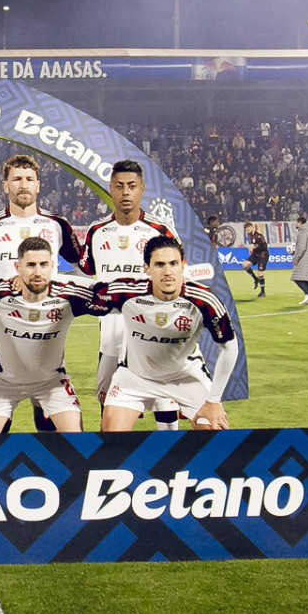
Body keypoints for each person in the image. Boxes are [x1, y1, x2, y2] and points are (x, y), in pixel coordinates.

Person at [91, 236, 236, 433]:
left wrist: (213, 400)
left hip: (185, 377)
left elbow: (230, 348)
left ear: (183, 266)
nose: (167, 272)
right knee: (112, 439)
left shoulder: (204, 300)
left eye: (173, 264)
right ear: (147, 268)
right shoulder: (126, 292)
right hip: (134, 377)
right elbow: (82, 294)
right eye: (159, 264)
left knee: (217, 436)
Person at [78, 160, 180, 426]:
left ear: (142, 189)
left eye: (131, 186)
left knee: (165, 405)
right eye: (120, 186)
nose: (125, 192)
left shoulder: (161, 231)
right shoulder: (97, 232)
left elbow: (178, 280)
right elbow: (88, 272)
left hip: (155, 334)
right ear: (110, 189)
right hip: (111, 334)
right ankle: (110, 463)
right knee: (108, 407)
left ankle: (172, 465)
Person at [0, 236, 97, 433]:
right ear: (18, 267)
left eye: (43, 265)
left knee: (77, 442)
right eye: (31, 265)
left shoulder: (70, 296)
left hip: (52, 383)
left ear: (52, 265)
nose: (37, 272)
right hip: (3, 382)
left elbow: (109, 294)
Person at [0, 155, 84, 279]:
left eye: (29, 179)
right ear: (5, 186)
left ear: (37, 185)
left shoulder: (58, 224)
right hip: (2, 299)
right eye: (17, 179)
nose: (24, 185)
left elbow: (80, 265)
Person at [289, 213, 308, 305]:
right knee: (306, 279)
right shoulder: (307, 232)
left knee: (297, 278)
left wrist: (296, 258)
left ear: (300, 223)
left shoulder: (302, 233)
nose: (295, 225)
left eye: (296, 223)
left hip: (303, 259)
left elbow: (302, 247)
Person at [243, 225, 270, 299]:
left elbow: (264, 246)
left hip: (263, 255)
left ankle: (262, 292)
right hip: (256, 254)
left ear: (252, 228)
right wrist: (251, 247)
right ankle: (255, 278)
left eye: (248, 230)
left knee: (260, 272)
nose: (247, 232)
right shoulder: (251, 236)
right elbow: (254, 245)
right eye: (246, 231)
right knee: (245, 265)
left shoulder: (258, 236)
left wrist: (253, 249)